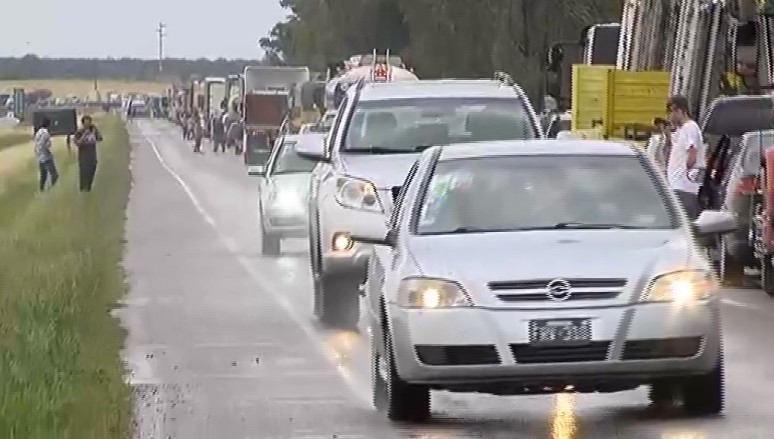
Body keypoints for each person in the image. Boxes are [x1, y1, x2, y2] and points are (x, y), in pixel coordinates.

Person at [662, 95, 705, 219]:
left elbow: (692, 154)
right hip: (678, 185)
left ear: (679, 111)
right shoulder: (682, 130)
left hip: (683, 187)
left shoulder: (690, 127)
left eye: (670, 113)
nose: (669, 117)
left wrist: (685, 171)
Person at [73, 115, 103, 192]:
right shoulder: (79, 132)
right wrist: (84, 135)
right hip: (83, 158)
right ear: (83, 123)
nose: (87, 125)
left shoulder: (93, 130)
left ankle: (88, 189)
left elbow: (100, 139)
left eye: (89, 122)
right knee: (83, 175)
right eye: (86, 123)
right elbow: (78, 143)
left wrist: (96, 130)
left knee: (91, 173)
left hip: (92, 156)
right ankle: (83, 190)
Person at [34, 117, 58, 191]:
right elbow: (42, 145)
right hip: (46, 156)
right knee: (54, 175)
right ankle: (51, 188)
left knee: (43, 174)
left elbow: (37, 145)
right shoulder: (45, 133)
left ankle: (42, 189)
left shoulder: (39, 132)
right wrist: (48, 151)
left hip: (40, 157)